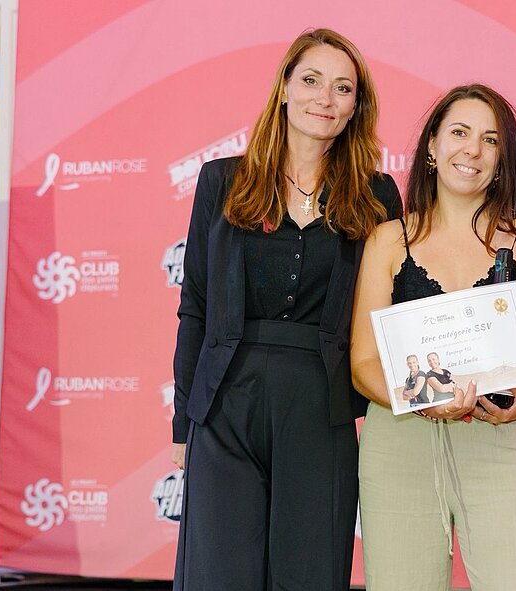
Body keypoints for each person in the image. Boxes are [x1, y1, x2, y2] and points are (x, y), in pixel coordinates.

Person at [170, 28, 402, 590]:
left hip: (321, 408)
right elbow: (195, 308)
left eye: (343, 88)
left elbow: (392, 312)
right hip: (226, 401)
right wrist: (184, 426)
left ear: (356, 107)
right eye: (312, 81)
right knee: (219, 575)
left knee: (310, 574)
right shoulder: (222, 181)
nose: (325, 98)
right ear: (284, 90)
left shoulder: (377, 196)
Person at [350, 84, 516, 591]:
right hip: (399, 444)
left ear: (503, 160)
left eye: (490, 139)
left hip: (499, 436)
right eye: (458, 132)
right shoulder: (389, 240)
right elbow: (364, 362)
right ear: (432, 146)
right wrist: (421, 402)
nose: (472, 149)